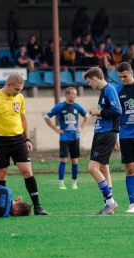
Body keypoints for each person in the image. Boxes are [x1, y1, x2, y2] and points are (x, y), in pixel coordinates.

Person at [0, 74, 48, 215]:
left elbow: (23, 118)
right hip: (0, 141)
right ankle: (1, 208)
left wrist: (27, 139)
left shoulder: (20, 97)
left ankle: (37, 206)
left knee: (27, 171)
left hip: (18, 139)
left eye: (20, 89)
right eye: (17, 89)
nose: (19, 92)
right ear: (8, 85)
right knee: (1, 174)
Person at [82, 67, 122, 215]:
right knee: (104, 168)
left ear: (94, 79)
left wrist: (98, 112)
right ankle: (108, 204)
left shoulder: (109, 90)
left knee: (92, 168)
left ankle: (110, 202)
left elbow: (117, 111)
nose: (88, 85)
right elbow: (111, 113)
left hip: (105, 134)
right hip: (103, 132)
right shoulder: (104, 92)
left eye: (88, 81)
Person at [44, 87, 89, 189]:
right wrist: (55, 129)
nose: (74, 96)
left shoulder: (77, 106)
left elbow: (87, 116)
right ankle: (61, 183)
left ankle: (74, 183)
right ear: (67, 95)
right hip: (64, 138)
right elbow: (46, 116)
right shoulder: (60, 106)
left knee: (75, 160)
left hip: (75, 137)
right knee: (63, 160)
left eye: (75, 94)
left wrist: (81, 127)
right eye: (73, 94)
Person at [115, 62, 134, 213]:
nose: (122, 79)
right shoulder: (116, 90)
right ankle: (133, 203)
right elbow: (114, 115)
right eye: (120, 77)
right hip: (126, 134)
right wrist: (114, 135)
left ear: (131, 73)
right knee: (130, 168)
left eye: (125, 76)